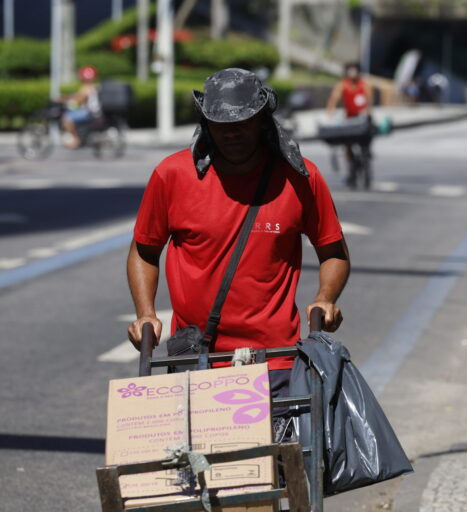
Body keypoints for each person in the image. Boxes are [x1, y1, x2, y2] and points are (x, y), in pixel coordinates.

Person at [126, 68, 351, 435]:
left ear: (262, 119)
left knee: (274, 472)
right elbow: (144, 251)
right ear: (206, 123)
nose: (232, 132)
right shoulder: (173, 175)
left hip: (275, 359)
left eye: (243, 121)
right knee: (200, 480)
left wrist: (325, 298)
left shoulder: (301, 178)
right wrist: (145, 313)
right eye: (220, 123)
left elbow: (334, 252)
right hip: (196, 357)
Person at [325, 62, 374, 187]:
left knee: (365, 145)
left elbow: (369, 102)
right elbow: (334, 99)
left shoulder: (364, 85)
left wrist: (368, 113)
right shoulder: (343, 84)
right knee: (347, 144)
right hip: (349, 119)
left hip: (362, 119)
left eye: (354, 71)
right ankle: (350, 170)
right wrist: (330, 114)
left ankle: (366, 166)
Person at [61, 65, 101, 148]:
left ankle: (75, 139)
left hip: (89, 112)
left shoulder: (86, 87)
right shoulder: (94, 86)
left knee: (67, 117)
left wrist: (65, 100)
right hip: (95, 111)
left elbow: (78, 100)